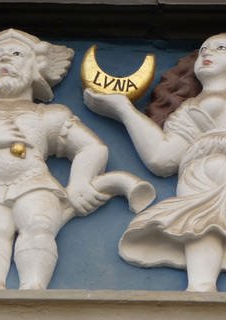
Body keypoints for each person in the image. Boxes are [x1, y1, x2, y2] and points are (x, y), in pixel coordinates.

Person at [0, 28, 154, 290]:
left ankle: (34, 289)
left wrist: (80, 183)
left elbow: (92, 148)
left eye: (16, 54)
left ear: (36, 67)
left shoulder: (49, 115)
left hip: (34, 182)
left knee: (38, 225)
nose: (4, 60)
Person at [84, 33, 226, 292]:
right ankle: (200, 291)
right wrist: (124, 110)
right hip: (198, 178)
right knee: (199, 226)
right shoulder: (192, 107)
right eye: (204, 48)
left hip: (214, 172)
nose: (207, 53)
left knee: (201, 225)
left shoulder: (207, 104)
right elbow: (163, 158)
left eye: (220, 48)